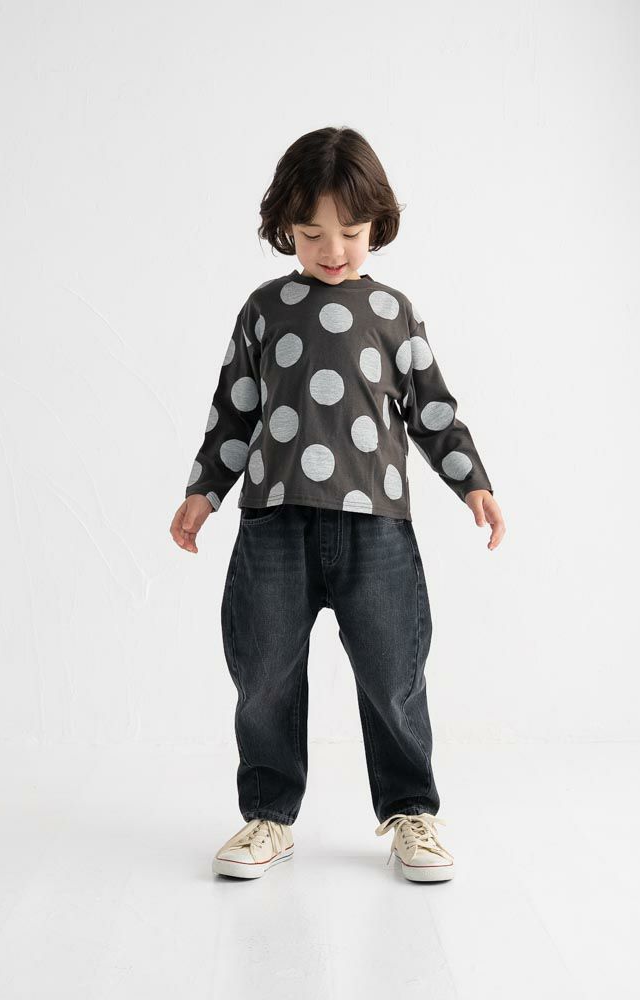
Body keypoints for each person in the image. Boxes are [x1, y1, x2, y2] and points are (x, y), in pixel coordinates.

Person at [170, 126, 506, 882]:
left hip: (376, 529)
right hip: (275, 525)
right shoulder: (265, 309)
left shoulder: (393, 312)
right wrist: (203, 492)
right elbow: (234, 412)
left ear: (376, 224)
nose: (332, 249)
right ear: (284, 226)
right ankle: (268, 815)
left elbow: (433, 412)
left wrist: (473, 484)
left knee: (394, 675)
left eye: (350, 232)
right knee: (264, 672)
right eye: (311, 232)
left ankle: (411, 812)